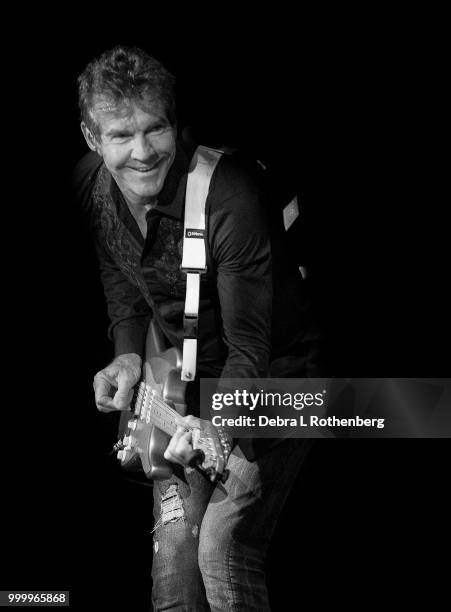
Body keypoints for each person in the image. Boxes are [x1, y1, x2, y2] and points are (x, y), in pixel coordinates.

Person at [73, 45, 322, 611]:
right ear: (92, 138)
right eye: (120, 136)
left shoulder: (228, 197)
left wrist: (213, 427)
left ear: (175, 125)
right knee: (176, 575)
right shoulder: (94, 190)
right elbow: (123, 285)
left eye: (155, 130)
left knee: (220, 549)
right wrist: (128, 356)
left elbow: (250, 349)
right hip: (180, 388)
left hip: (274, 385)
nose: (142, 153)